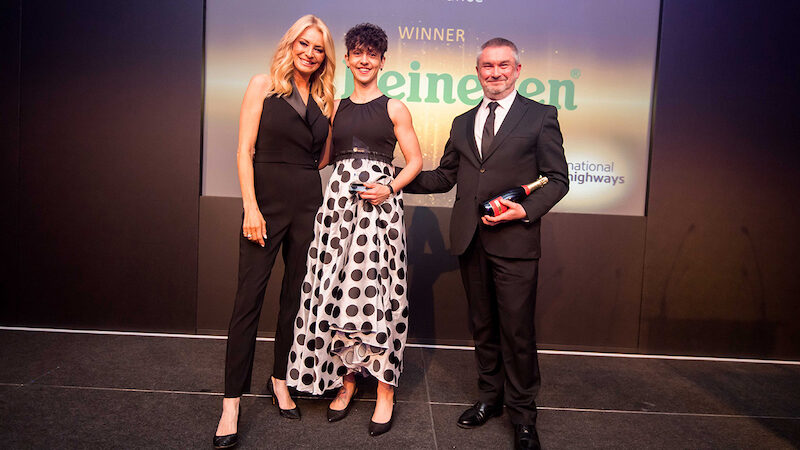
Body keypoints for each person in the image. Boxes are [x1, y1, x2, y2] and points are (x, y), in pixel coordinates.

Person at [401, 38, 569, 450]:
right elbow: (444, 177)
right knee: (483, 327)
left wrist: (524, 211)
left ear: (517, 70)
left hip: (516, 242)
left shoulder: (541, 116)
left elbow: (557, 179)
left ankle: (523, 416)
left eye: (503, 65)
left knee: (517, 331)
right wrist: (395, 179)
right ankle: (490, 399)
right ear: (477, 72)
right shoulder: (462, 122)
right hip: (470, 240)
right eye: (487, 66)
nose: (495, 72)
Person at [286, 23, 422, 437]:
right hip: (339, 210)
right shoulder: (335, 108)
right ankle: (346, 380)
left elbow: (415, 161)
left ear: (382, 61)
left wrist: (389, 188)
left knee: (381, 293)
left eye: (372, 54)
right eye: (357, 53)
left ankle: (384, 389)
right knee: (341, 291)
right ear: (346, 59)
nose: (364, 60)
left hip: (380, 212)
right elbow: (324, 158)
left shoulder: (394, 107)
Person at [213, 14, 336, 449]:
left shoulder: (325, 98)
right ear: (290, 44)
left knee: (295, 300)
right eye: (304, 44)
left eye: (318, 48)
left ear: (325, 56)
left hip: (308, 205)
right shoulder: (262, 85)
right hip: (264, 204)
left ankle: (279, 380)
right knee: (248, 302)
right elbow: (244, 150)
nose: (310, 53)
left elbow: (323, 158)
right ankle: (231, 405)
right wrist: (251, 206)